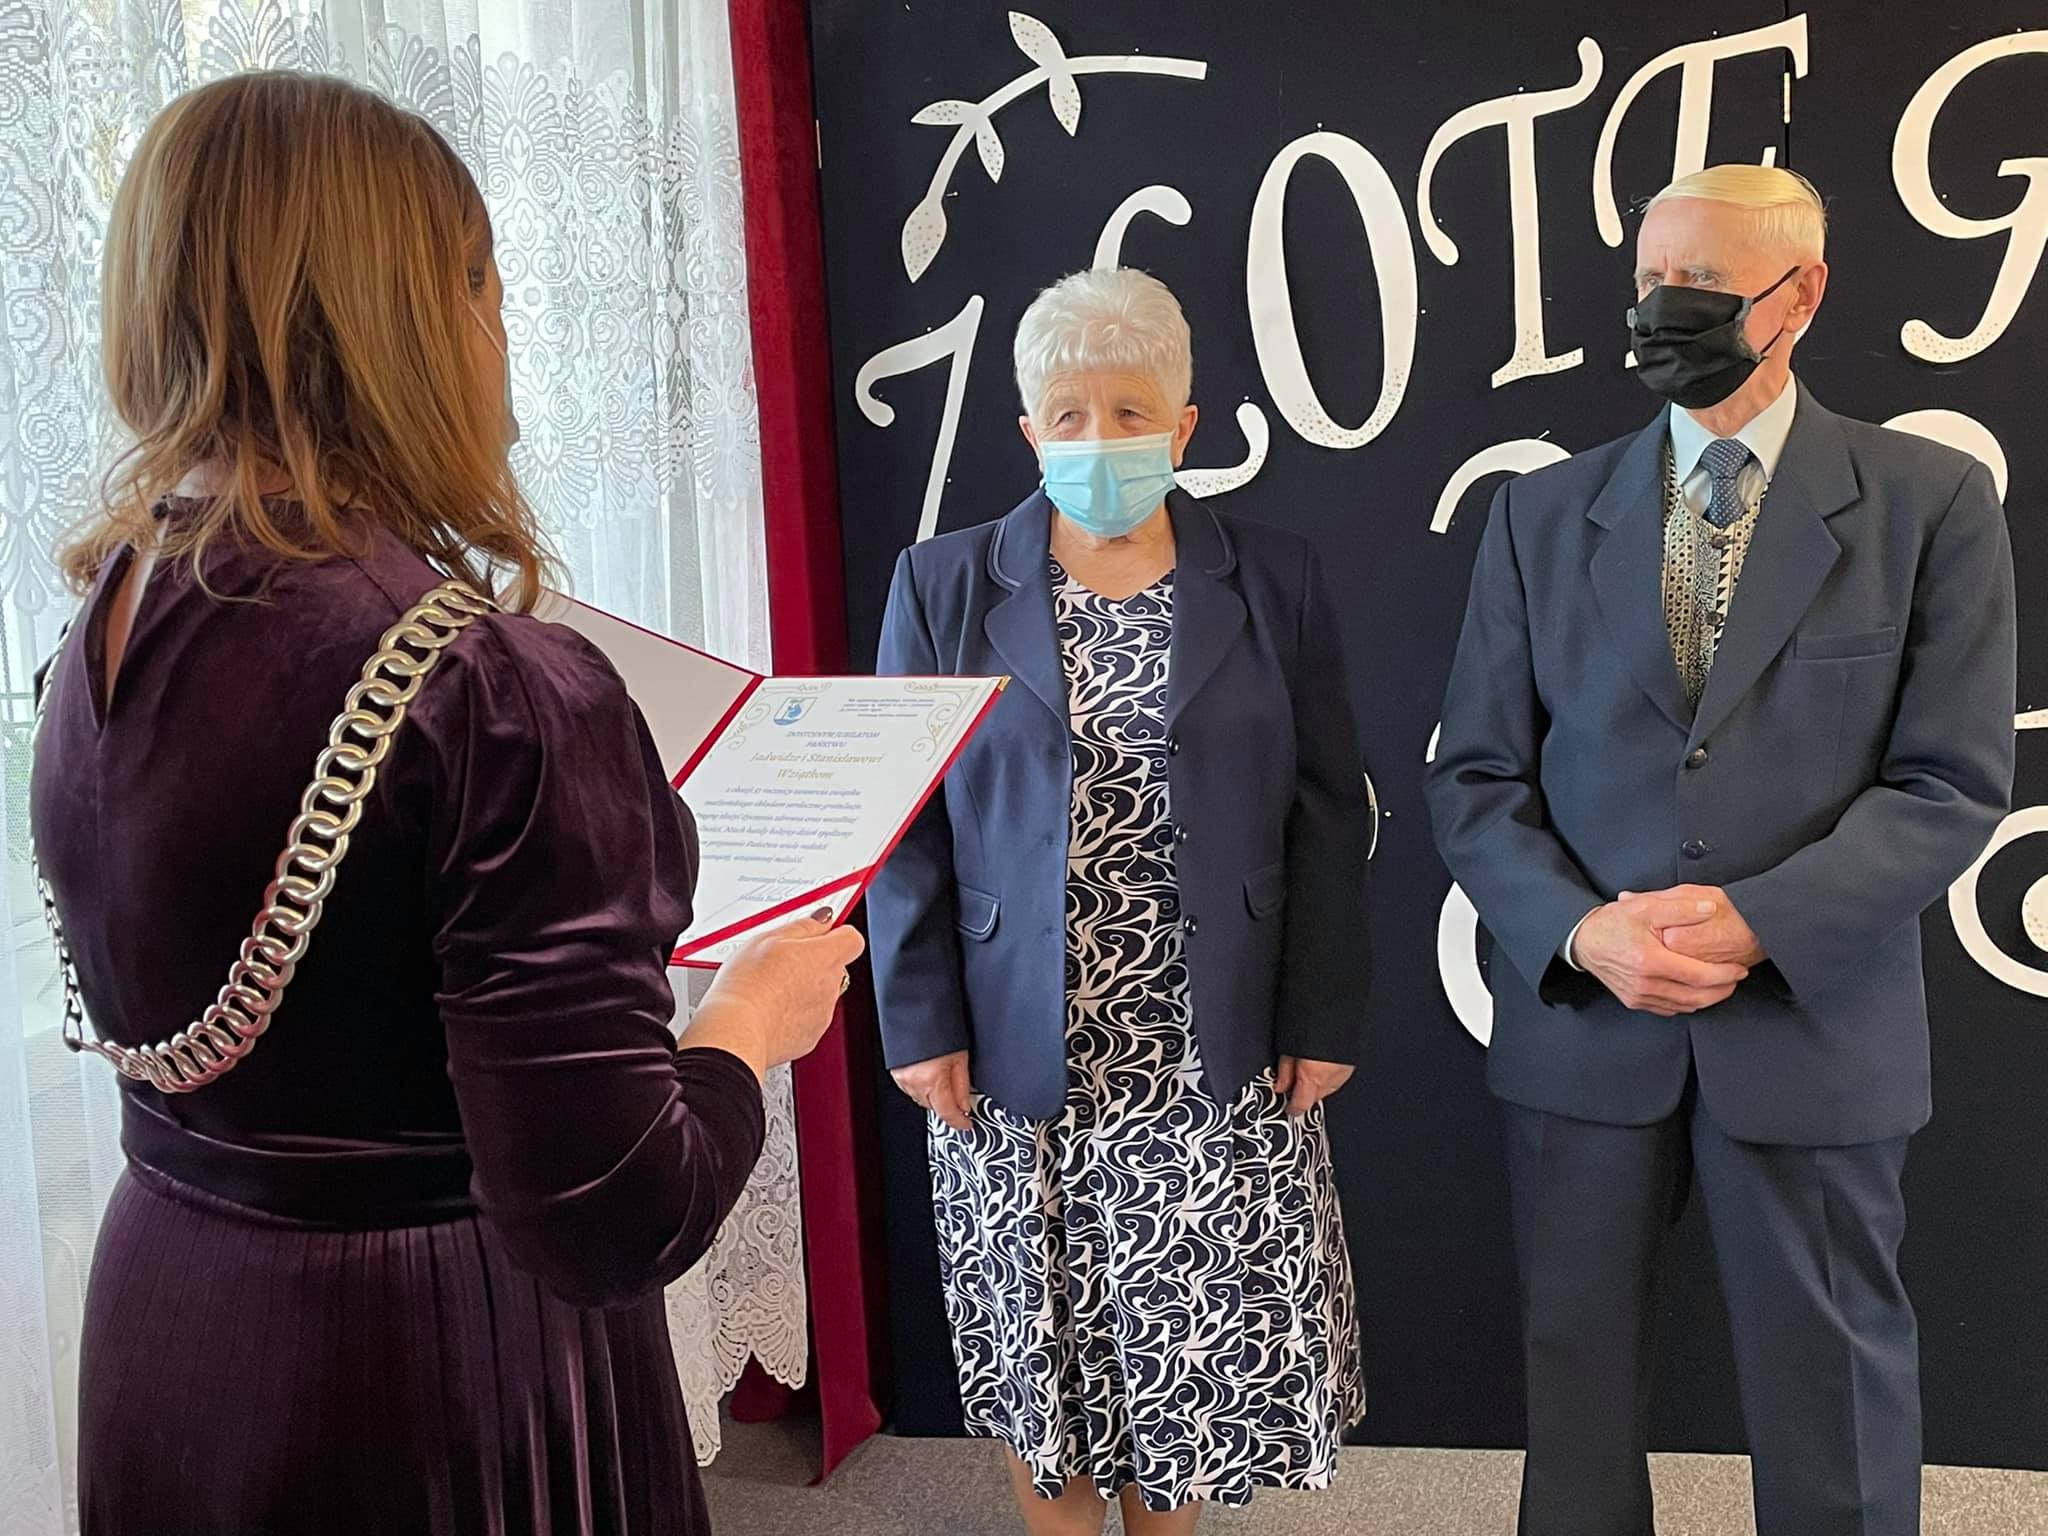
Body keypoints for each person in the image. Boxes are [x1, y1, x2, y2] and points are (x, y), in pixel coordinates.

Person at [29, 73, 862, 1536]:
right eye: (486, 285)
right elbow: (616, 1212)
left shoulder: (103, 621)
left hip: (173, 1311)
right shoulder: (488, 688)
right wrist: (744, 1023)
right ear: (416, 318)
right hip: (430, 1371)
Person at [1426, 164, 2016, 1536]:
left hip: (1813, 1026)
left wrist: (1758, 922)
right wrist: (1585, 932)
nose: (1660, 308)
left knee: (1836, 1401)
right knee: (1574, 1391)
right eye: (1648, 279)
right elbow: (1476, 776)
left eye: (1698, 283)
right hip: (1584, 1027)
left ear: (1799, 296)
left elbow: (1948, 783)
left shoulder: (1929, 504)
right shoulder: (1538, 514)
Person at [867, 268, 1370, 1535]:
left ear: (1183, 426)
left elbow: (1325, 811)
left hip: (1211, 1046)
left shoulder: (1274, 578)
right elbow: (903, 829)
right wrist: (916, 1022)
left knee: (1182, 1371)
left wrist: (1322, 1010)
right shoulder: (939, 584)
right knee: (1047, 1381)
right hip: (1014, 1047)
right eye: (1069, 415)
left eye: (1130, 412)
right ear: (1028, 431)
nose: (1099, 439)